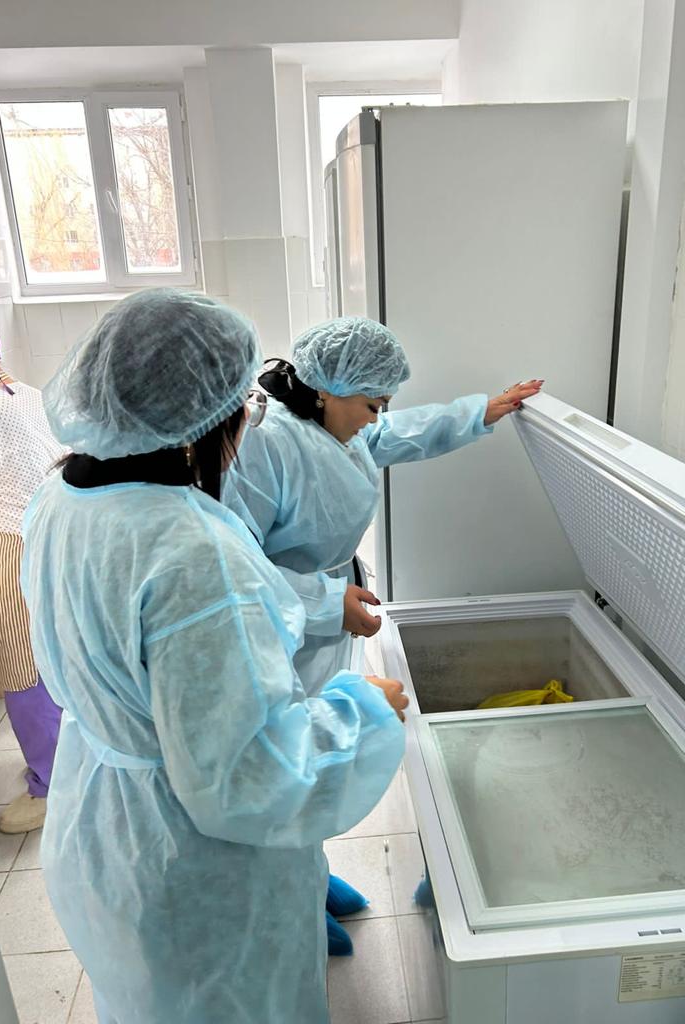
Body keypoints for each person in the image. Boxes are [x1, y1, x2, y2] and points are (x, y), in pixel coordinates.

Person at [20, 290, 408, 1024]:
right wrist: (363, 710)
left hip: (99, 824)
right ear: (204, 420)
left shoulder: (60, 498)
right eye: (245, 407)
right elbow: (247, 777)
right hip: (196, 871)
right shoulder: (193, 553)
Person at [223, 316, 542, 951]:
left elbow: (397, 434)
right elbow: (236, 573)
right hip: (279, 624)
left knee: (311, 767)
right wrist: (325, 604)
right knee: (288, 767)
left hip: (320, 616)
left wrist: (482, 411)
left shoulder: (334, 424)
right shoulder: (266, 448)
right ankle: (287, 902)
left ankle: (310, 873)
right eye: (371, 404)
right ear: (327, 388)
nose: (378, 418)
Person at [0, 314, 64, 834]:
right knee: (53, 660)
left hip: (12, 548)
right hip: (53, 539)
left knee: (22, 668)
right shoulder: (29, 394)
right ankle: (63, 759)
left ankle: (50, 785)